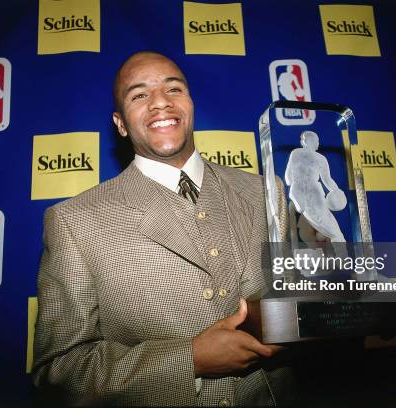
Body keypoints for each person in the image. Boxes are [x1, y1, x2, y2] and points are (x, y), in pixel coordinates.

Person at [32, 51, 292, 406]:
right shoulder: (74, 221)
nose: (160, 103)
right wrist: (190, 360)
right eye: (139, 95)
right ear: (120, 123)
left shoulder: (266, 192)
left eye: (174, 89)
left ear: (190, 103)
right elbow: (60, 371)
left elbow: (295, 302)